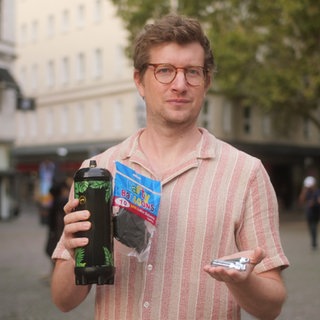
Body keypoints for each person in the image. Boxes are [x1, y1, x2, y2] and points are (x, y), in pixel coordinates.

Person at [51, 14, 289, 319]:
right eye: (164, 70)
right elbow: (63, 301)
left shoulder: (246, 174)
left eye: (192, 72)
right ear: (139, 80)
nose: (180, 84)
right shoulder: (99, 173)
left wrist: (243, 282)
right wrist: (73, 256)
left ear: (207, 82)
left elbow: (272, 306)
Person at [299, 176, 320, 250]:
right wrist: (304, 191)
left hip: (316, 213)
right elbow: (301, 200)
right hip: (309, 213)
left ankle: (314, 243)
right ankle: (313, 242)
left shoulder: (317, 191)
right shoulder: (306, 192)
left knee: (314, 227)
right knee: (311, 228)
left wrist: (314, 202)